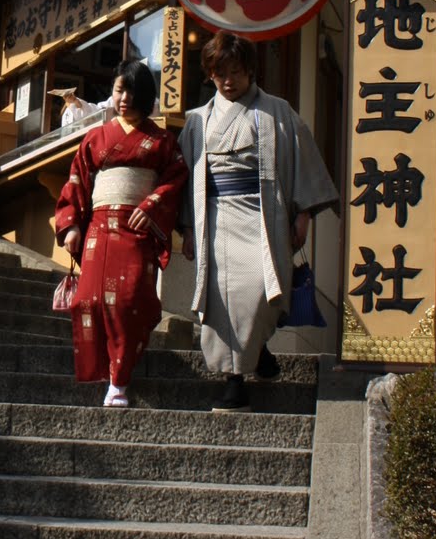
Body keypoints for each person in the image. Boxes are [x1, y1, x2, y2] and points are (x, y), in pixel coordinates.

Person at [179, 31, 337, 410]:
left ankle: (256, 349)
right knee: (219, 299)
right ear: (210, 76)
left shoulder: (278, 111)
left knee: (258, 293)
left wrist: (304, 215)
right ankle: (234, 380)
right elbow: (185, 178)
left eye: (235, 72)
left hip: (263, 217)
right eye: (220, 74)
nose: (229, 81)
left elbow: (304, 164)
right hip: (214, 218)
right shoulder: (197, 121)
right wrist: (186, 227)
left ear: (250, 70)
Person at [54, 60, 188, 407]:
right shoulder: (96, 137)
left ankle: (119, 380)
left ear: (144, 95)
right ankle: (103, 369)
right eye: (118, 90)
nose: (124, 98)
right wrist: (71, 225)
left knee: (129, 302)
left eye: (130, 91)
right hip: (99, 228)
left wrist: (151, 205)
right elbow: (77, 181)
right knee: (89, 300)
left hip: (136, 228)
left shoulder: (162, 140)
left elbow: (175, 178)